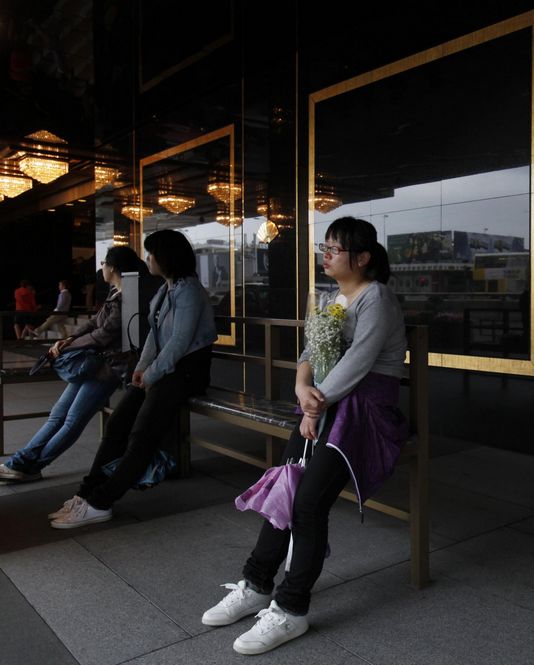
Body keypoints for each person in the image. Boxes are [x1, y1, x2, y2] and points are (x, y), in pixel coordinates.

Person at [202, 217, 407, 655]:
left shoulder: (377, 298)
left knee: (308, 502)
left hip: (363, 411)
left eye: (334, 247)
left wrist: (317, 403)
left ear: (363, 257)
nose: (325, 253)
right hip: (325, 404)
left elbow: (360, 360)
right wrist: (302, 390)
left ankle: (292, 610)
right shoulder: (333, 297)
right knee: (284, 488)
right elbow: (309, 353)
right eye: (325, 246)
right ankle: (257, 584)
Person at [48, 229, 217, 529]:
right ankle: (87, 493)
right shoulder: (167, 288)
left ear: (166, 258)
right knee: (117, 425)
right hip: (164, 370)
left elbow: (179, 343)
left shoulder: (189, 290)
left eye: (151, 254)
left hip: (186, 372)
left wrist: (151, 374)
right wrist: (142, 368)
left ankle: (101, 501)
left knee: (142, 434)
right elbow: (154, 333)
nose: (147, 259)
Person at [0, 250, 147, 484]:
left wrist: (70, 345)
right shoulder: (117, 291)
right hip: (93, 364)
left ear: (114, 268)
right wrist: (69, 339)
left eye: (103, 263)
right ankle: (21, 462)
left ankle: (31, 466)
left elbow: (106, 333)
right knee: (58, 415)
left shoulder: (128, 296)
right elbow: (95, 322)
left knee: (72, 420)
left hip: (108, 369)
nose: (101, 268)